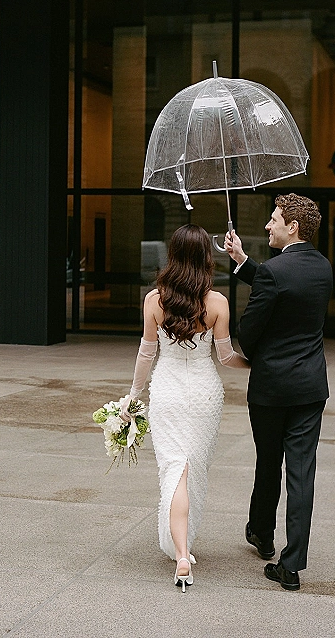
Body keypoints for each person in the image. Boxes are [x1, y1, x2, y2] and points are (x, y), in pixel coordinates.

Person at [120, 224, 249, 592]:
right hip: (205, 395)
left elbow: (147, 352)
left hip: (168, 393)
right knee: (192, 468)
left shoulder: (154, 301)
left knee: (175, 469)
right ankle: (183, 547)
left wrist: (133, 394)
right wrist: (256, 363)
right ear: (206, 259)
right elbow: (225, 357)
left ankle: (180, 553)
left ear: (172, 256)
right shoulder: (218, 303)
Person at [224, 193, 333, 591]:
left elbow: (248, 335)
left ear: (293, 227)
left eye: (273, 220)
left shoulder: (273, 271)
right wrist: (242, 262)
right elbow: (286, 285)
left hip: (271, 388)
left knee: (268, 461)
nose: (268, 225)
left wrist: (250, 351)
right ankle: (292, 565)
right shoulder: (322, 267)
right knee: (301, 473)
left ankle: (262, 533)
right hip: (309, 388)